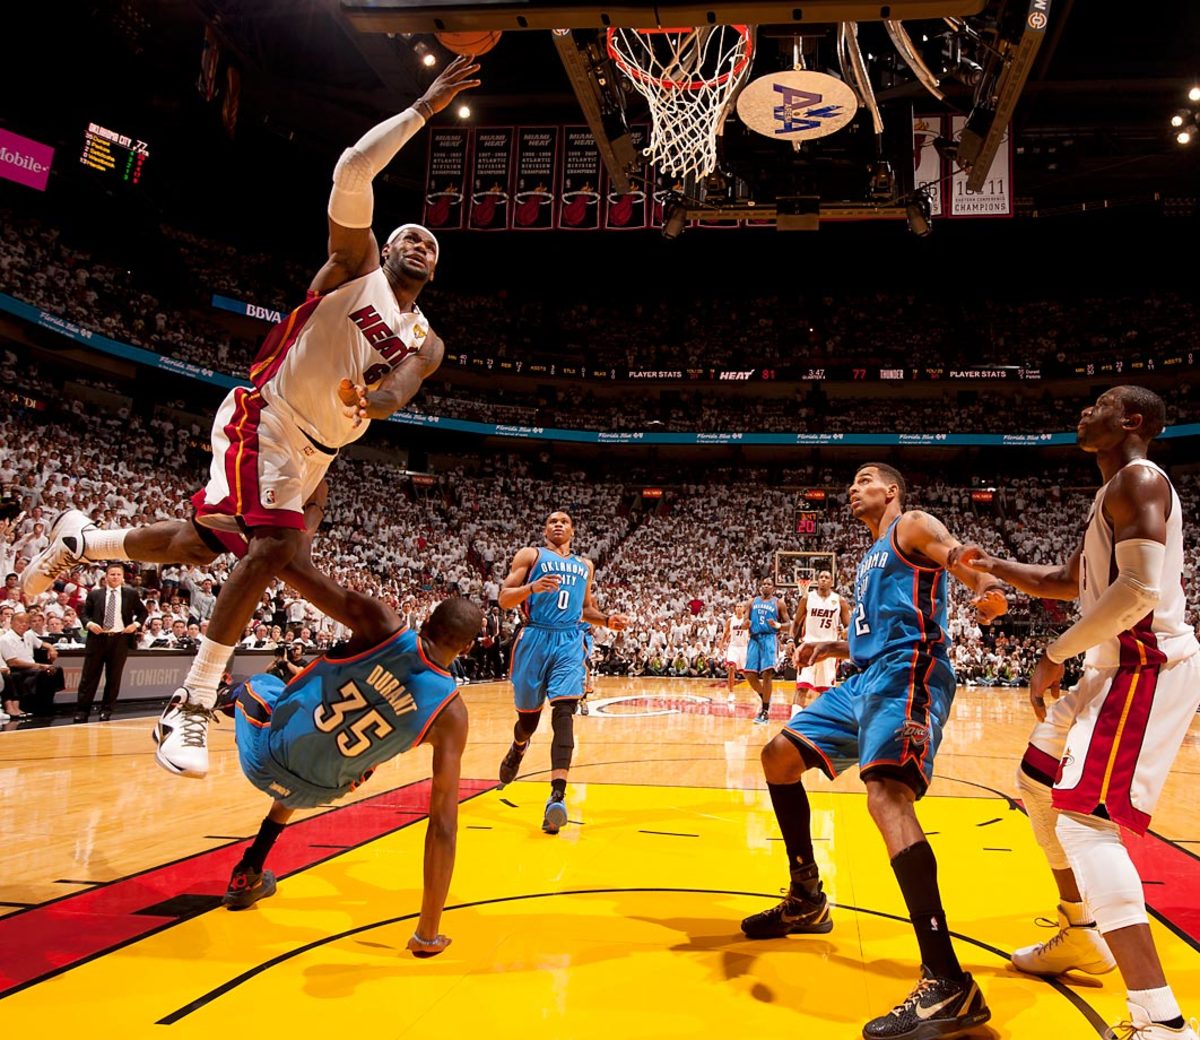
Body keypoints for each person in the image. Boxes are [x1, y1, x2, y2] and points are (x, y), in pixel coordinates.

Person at [21, 56, 481, 779]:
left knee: (201, 545)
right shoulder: (353, 266)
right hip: (264, 417)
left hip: (319, 453)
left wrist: (376, 400)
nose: (421, 242)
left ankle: (84, 541)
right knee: (272, 551)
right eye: (410, 235)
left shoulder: (429, 338)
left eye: (433, 243)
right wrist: (422, 109)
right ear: (386, 247)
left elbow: (406, 386)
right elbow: (353, 170)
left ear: (437, 269)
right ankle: (193, 703)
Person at [955, 387, 1199, 1040]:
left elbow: (1140, 590)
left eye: (1102, 402)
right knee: (1037, 783)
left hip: (1142, 665)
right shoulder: (1115, 492)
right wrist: (995, 566)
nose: (1085, 411)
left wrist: (1056, 652)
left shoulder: (1140, 480)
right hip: (1116, 667)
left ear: (1134, 421)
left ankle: (1161, 1017)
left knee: (1087, 824)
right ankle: (1079, 930)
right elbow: (1070, 580)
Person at [740, 463, 1008, 1040]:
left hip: (909, 672)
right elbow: (878, 627)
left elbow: (954, 552)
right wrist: (834, 643)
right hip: (864, 678)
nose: (852, 487)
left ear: (890, 490)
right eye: (852, 482)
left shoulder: (910, 523)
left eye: (864, 479)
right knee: (778, 757)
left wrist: (984, 586)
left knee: (886, 795)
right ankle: (807, 895)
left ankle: (948, 980)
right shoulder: (865, 558)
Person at [220, 517, 481, 959]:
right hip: (323, 788)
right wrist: (427, 933)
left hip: (267, 757)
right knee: (329, 752)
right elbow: (443, 825)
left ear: (427, 619)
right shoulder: (451, 714)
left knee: (261, 686)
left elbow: (290, 567)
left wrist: (303, 516)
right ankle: (249, 870)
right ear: (470, 648)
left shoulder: (382, 625)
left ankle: (201, 697)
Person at [495, 511, 628, 833]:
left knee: (564, 713)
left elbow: (586, 610)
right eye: (552, 521)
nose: (558, 524)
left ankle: (557, 796)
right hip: (534, 637)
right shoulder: (530, 555)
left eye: (564, 521)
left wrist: (607, 620)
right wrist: (531, 588)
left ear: (572, 530)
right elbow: (503, 599)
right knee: (527, 721)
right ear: (545, 530)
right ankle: (518, 746)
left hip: (569, 639)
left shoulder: (585, 566)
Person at [75, 562, 148, 722]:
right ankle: (82, 711)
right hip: (97, 639)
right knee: (89, 677)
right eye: (112, 574)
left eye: (118, 575)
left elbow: (143, 612)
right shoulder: (95, 594)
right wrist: (89, 624)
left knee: (113, 677)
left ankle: (106, 710)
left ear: (122, 578)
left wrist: (135, 625)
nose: (115, 577)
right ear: (106, 577)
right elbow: (84, 614)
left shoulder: (131, 594)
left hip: (120, 639)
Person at [791, 569, 849, 705]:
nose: (823, 579)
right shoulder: (807, 598)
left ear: (832, 582)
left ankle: (817, 720)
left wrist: (845, 631)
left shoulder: (840, 601)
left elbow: (848, 626)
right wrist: (790, 640)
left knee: (826, 692)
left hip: (829, 650)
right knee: (802, 687)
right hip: (808, 647)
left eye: (826, 577)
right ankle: (795, 722)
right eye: (821, 577)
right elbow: (796, 622)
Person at [746, 578, 790, 724]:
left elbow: (788, 624)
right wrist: (745, 624)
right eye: (763, 584)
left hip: (770, 638)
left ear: (773, 588)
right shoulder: (752, 602)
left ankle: (764, 711)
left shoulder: (779, 603)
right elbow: (745, 622)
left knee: (767, 673)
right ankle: (765, 696)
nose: (766, 586)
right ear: (760, 587)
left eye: (769, 584)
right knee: (749, 674)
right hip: (754, 638)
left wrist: (777, 625)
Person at [721, 602, 750, 702]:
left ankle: (757, 690)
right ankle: (731, 693)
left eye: (740, 606)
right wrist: (721, 645)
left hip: (744, 647)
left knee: (745, 672)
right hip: (733, 647)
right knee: (731, 667)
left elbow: (752, 634)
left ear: (744, 609)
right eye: (737, 606)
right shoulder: (730, 620)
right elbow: (725, 634)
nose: (738, 608)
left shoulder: (747, 620)